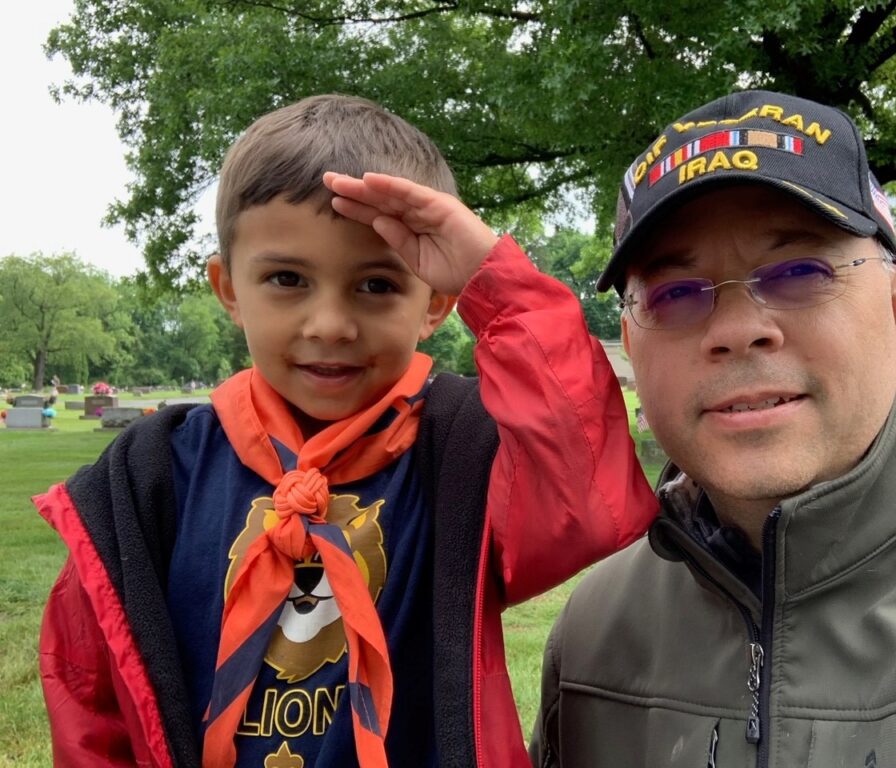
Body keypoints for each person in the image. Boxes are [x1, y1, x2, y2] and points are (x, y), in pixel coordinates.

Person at [36, 94, 656, 768]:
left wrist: (495, 281)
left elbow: (587, 500)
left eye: (377, 285)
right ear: (228, 288)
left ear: (436, 301)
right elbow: (89, 694)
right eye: (286, 279)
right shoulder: (153, 476)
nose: (330, 323)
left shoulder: (463, 453)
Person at [530, 89, 896, 767]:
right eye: (676, 294)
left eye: (798, 272)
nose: (736, 330)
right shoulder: (595, 636)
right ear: (630, 345)